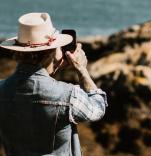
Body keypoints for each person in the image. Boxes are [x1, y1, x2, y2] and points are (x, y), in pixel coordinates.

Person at [0, 12, 107, 156]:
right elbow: (97, 108)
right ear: (51, 52)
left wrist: (52, 67)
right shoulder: (67, 96)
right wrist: (81, 70)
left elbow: (34, 85)